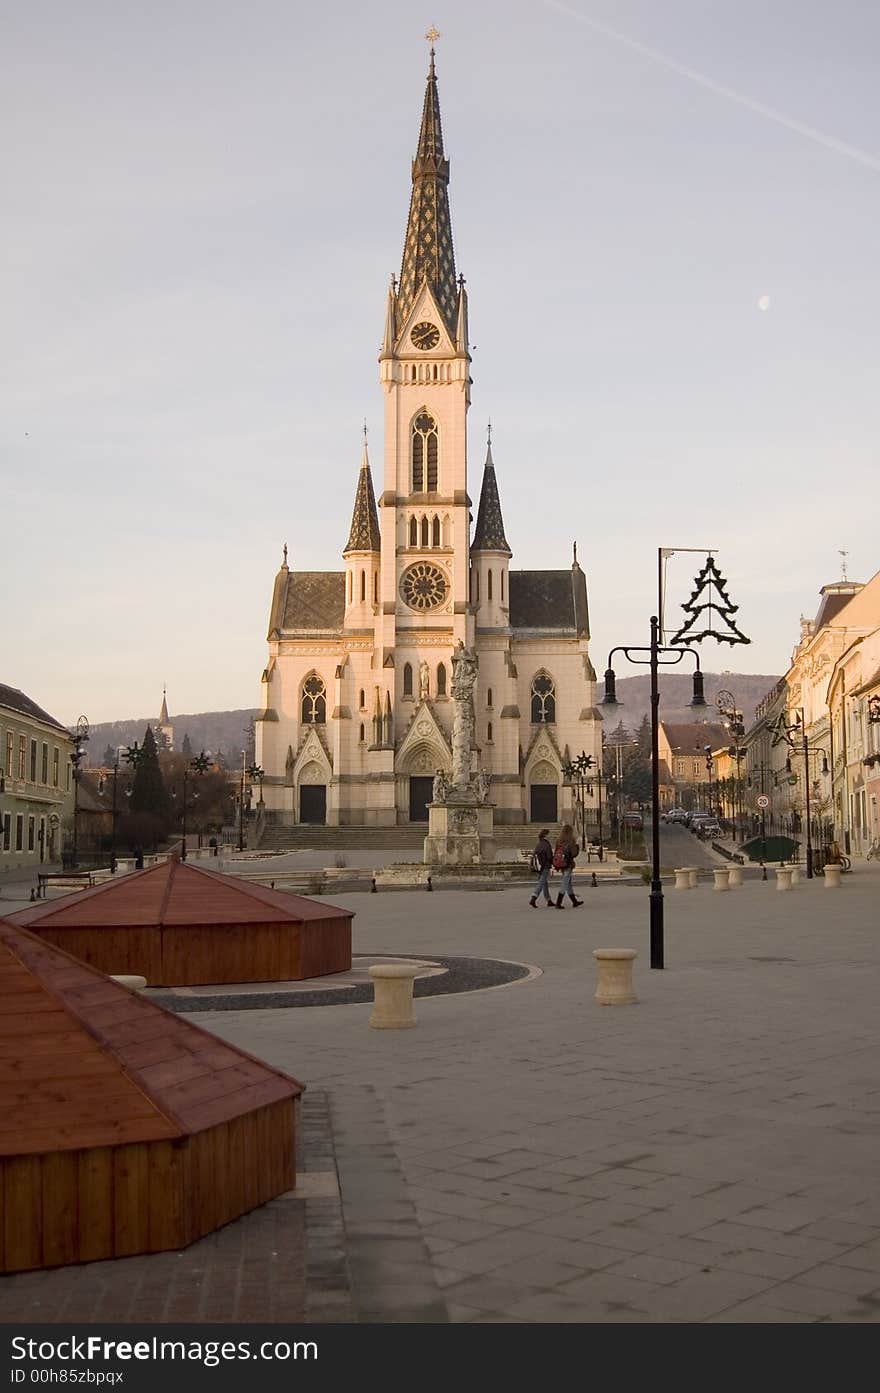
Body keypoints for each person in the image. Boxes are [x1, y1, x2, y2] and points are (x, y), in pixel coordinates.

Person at [553, 824, 583, 907]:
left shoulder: (559, 840)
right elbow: (573, 854)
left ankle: (574, 901)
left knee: (568, 882)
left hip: (561, 863)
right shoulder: (571, 840)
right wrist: (577, 846)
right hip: (568, 864)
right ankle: (558, 902)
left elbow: (556, 852)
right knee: (565, 882)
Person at [529, 829, 556, 908]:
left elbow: (534, 854)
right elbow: (549, 856)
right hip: (545, 866)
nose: (550, 836)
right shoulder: (546, 844)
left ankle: (548, 900)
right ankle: (534, 897)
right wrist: (553, 863)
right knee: (541, 883)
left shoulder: (539, 844)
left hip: (539, 866)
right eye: (549, 834)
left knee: (544, 883)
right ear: (546, 835)